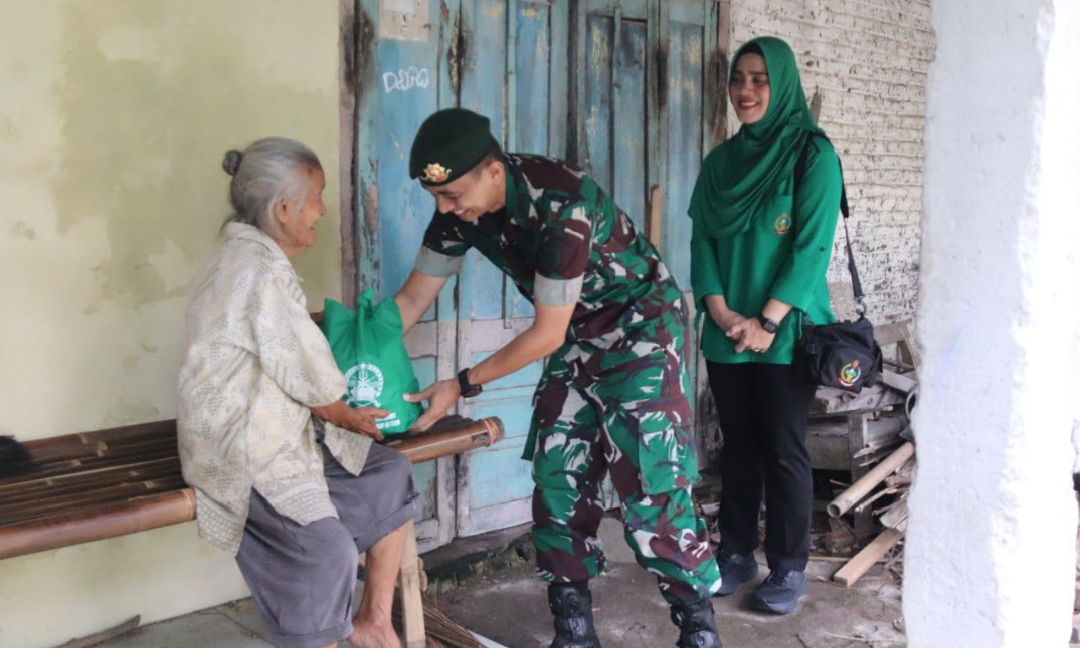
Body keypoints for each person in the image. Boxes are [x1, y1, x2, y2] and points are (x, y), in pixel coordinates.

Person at [393, 108, 723, 648]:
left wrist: (461, 382)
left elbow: (546, 333)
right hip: (577, 336)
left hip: (639, 331)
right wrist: (357, 352)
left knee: (651, 484)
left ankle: (698, 627)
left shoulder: (560, 201)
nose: (445, 208)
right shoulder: (459, 213)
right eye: (437, 197)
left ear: (493, 171)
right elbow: (410, 300)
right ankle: (573, 629)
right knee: (558, 474)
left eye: (452, 193)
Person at [177, 137, 419, 648]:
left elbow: (294, 361)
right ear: (283, 209)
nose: (322, 210)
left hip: (277, 430)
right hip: (240, 447)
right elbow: (303, 368)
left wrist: (337, 413)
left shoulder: (248, 253)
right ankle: (322, 636)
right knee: (326, 551)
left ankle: (374, 621)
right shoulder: (256, 269)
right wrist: (344, 413)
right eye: (316, 198)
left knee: (388, 471)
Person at [688, 36, 843, 615]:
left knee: (783, 448)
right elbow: (702, 238)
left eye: (759, 79)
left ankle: (788, 564)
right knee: (739, 448)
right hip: (728, 332)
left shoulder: (812, 154)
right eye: (738, 79)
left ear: (781, 85)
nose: (745, 91)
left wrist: (769, 320)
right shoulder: (720, 161)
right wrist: (722, 311)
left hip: (785, 333)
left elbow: (811, 247)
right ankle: (734, 554)